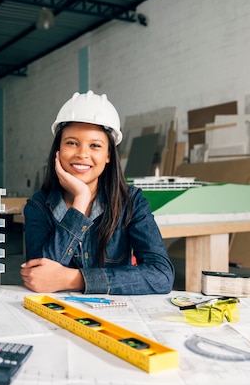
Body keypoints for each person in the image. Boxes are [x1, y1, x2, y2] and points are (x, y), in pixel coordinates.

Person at [20, 91, 175, 295]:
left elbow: (161, 276)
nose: (82, 154)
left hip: (117, 314)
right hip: (56, 312)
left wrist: (75, 279)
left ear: (109, 155)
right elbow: (40, 278)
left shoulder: (131, 201)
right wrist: (81, 200)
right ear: (58, 149)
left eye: (95, 145)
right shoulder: (38, 206)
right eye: (72, 143)